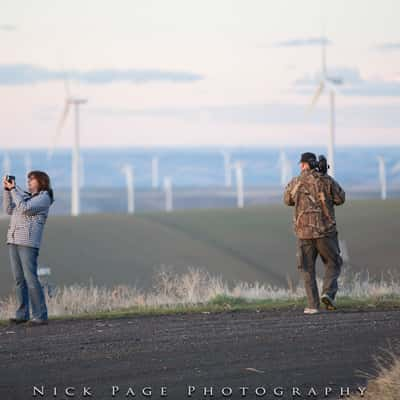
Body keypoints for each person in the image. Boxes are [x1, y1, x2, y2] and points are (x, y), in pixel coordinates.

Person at [284, 152, 345, 315]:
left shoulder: (295, 182)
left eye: (301, 164)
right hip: (325, 232)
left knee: (306, 268)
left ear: (304, 165)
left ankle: (312, 306)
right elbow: (341, 198)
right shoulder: (326, 180)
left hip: (304, 234)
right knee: (333, 262)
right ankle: (328, 293)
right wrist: (325, 176)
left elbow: (287, 200)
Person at [3, 171, 54, 326]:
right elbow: (9, 209)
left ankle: (40, 315)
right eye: (28, 180)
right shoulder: (25, 196)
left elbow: (24, 208)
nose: (29, 183)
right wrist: (7, 191)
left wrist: (14, 190)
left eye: (32, 180)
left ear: (41, 182)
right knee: (19, 280)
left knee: (31, 279)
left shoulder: (44, 198)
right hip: (13, 240)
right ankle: (22, 314)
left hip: (28, 243)